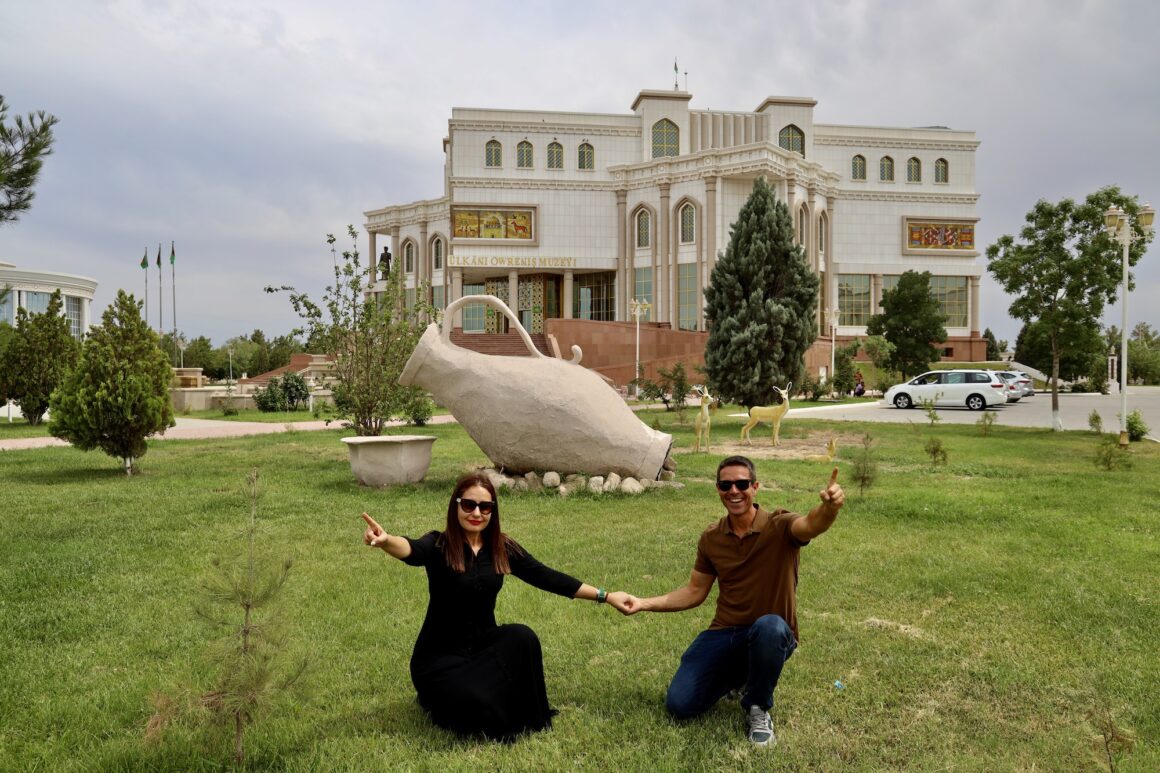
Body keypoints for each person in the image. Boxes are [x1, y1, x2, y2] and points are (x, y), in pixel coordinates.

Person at [361, 472, 632, 741]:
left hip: (481, 647)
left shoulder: (501, 547)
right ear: (456, 505)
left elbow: (547, 577)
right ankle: (439, 696)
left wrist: (605, 596)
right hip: (438, 658)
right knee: (476, 707)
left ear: (493, 511)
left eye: (485, 506)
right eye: (469, 505)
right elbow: (411, 549)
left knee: (522, 636)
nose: (476, 512)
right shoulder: (439, 544)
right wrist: (386, 541)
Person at [619, 456, 844, 748]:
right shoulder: (712, 537)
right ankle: (741, 675)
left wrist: (829, 509)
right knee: (680, 704)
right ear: (718, 489)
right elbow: (694, 591)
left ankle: (757, 707)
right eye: (726, 485)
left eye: (742, 484)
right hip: (726, 631)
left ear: (755, 487)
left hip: (771, 633)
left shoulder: (780, 525)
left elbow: (811, 525)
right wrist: (643, 603)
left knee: (770, 628)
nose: (734, 491)